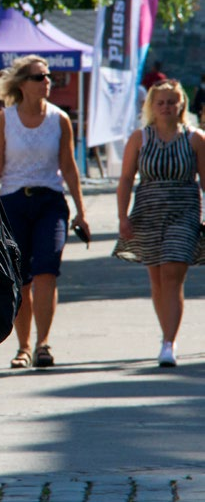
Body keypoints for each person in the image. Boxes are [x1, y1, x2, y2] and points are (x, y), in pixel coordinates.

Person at [0, 55, 90, 369]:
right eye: (39, 76)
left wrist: (81, 212)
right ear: (22, 84)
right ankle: (24, 347)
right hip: (14, 203)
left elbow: (69, 169)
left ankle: (43, 343)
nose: (47, 81)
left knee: (47, 272)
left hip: (50, 203)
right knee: (21, 278)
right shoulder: (4, 119)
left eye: (48, 76)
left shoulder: (59, 119)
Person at [113, 79, 205, 367]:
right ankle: (166, 332)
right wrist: (122, 217)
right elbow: (126, 178)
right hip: (148, 212)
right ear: (152, 106)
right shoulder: (140, 137)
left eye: (171, 102)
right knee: (156, 279)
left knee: (172, 273)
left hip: (184, 211)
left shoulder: (195, 138)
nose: (166, 107)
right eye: (160, 102)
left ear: (181, 105)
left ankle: (168, 342)